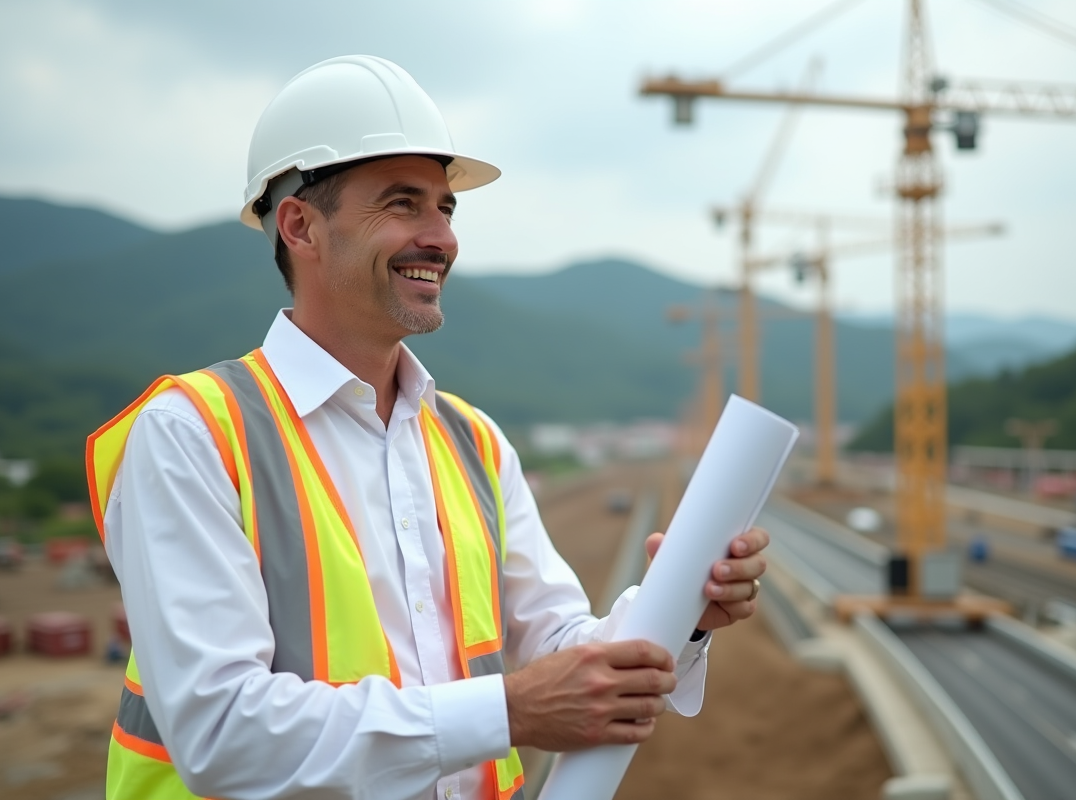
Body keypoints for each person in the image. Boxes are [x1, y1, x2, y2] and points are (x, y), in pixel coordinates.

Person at [87, 56, 770, 800]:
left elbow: (564, 648)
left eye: (445, 208)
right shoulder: (191, 436)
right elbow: (221, 734)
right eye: (403, 204)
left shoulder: (473, 443)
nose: (440, 237)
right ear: (300, 225)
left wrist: (680, 614)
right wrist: (509, 710)